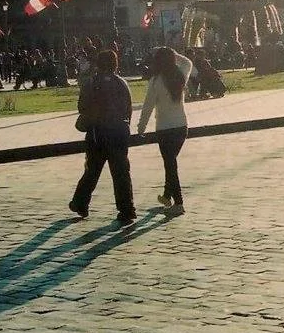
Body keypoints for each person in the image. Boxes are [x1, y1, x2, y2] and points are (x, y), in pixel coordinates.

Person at [69, 49, 137, 226]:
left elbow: (82, 107)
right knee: (121, 172)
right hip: (118, 133)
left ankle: (80, 203)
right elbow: (128, 109)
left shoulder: (91, 83)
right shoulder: (121, 83)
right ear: (115, 64)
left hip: (97, 134)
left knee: (92, 171)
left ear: (98, 64)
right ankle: (127, 209)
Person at [136, 47, 193, 216]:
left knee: (170, 165)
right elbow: (188, 62)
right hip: (181, 126)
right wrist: (174, 54)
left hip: (164, 129)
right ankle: (167, 197)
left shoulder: (155, 81)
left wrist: (141, 127)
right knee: (171, 163)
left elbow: (148, 106)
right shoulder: (180, 75)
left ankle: (179, 202)